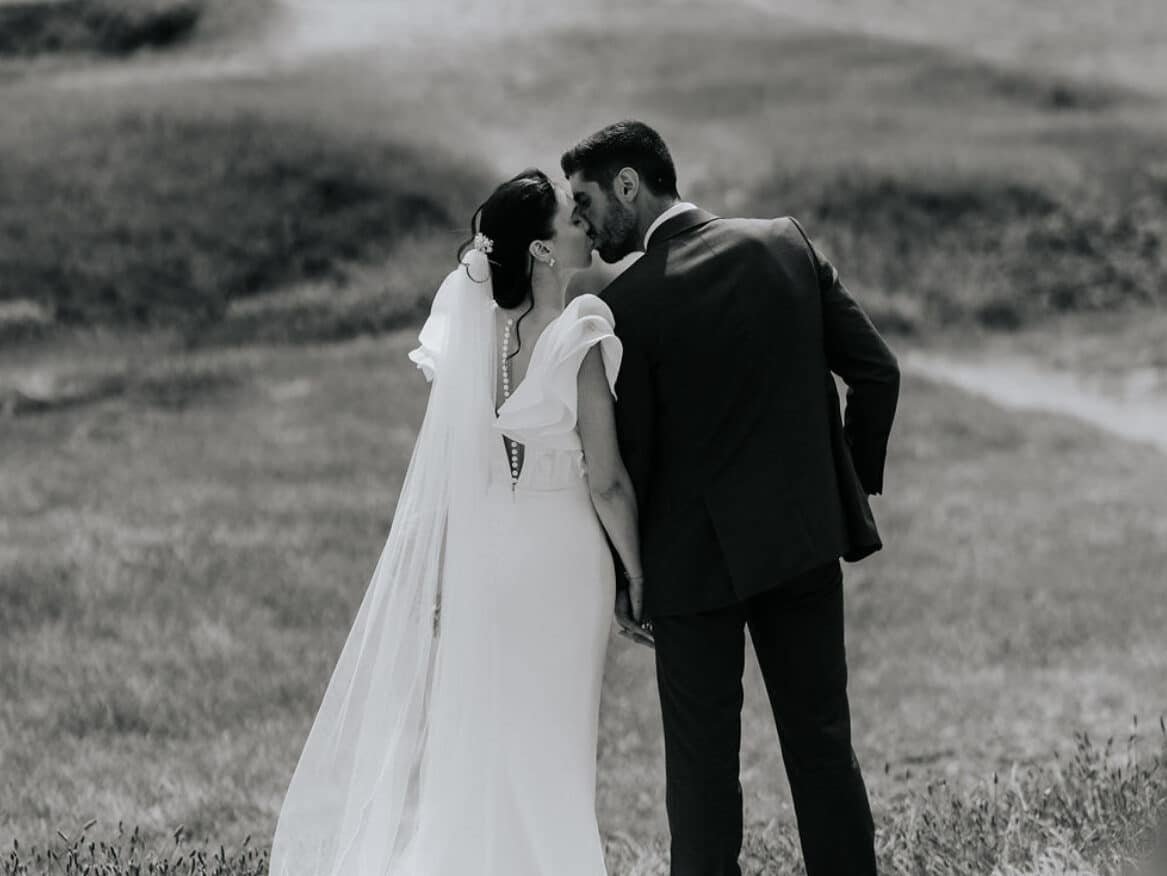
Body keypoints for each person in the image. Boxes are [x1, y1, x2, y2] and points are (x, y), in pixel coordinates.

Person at [269, 168, 650, 876]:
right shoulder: (581, 331)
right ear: (540, 250)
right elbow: (605, 480)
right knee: (556, 735)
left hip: (491, 554)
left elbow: (461, 468)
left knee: (492, 729)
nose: (584, 226)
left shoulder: (473, 341)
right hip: (563, 558)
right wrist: (637, 571)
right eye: (571, 218)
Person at [564, 119, 900, 876]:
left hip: (689, 574)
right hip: (799, 544)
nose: (582, 220)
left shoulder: (629, 306)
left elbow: (630, 466)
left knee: (701, 777)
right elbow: (878, 374)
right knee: (822, 748)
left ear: (629, 184)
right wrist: (837, 487)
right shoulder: (783, 242)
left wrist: (628, 579)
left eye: (586, 200)